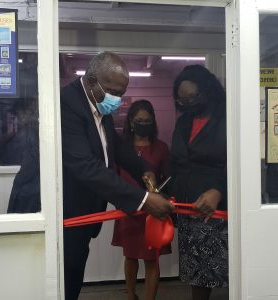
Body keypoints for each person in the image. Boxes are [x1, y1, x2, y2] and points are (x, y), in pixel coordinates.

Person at [60, 52, 174, 300]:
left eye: (121, 93)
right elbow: (87, 167)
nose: (116, 99)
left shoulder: (99, 106)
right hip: (65, 213)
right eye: (112, 91)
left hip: (83, 215)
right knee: (64, 280)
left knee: (74, 274)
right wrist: (144, 200)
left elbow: (118, 149)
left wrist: (144, 170)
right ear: (91, 81)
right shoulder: (67, 105)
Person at [168, 65, 228, 300]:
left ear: (208, 90)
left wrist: (219, 190)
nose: (189, 103)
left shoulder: (227, 119)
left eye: (193, 96)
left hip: (216, 210)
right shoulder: (183, 122)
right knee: (196, 273)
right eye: (183, 100)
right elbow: (176, 163)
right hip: (186, 209)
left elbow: (241, 162)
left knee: (222, 269)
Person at [111, 99, 171, 300]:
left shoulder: (161, 148)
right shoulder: (121, 147)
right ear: (130, 121)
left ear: (152, 121)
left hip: (151, 213)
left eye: (147, 120)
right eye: (139, 120)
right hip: (128, 210)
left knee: (151, 259)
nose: (143, 123)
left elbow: (167, 178)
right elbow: (114, 176)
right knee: (130, 256)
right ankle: (131, 295)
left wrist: (159, 194)